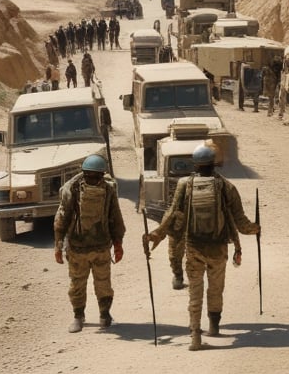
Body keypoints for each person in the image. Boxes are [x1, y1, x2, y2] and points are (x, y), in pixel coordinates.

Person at [145, 143, 260, 351]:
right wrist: (255, 229)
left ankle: (195, 337)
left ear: (195, 164)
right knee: (215, 289)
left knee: (195, 292)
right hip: (218, 248)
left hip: (193, 247)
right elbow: (241, 223)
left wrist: (157, 233)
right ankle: (214, 327)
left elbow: (172, 212)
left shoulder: (184, 184)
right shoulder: (226, 186)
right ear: (214, 163)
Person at [54, 154, 125, 333]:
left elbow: (115, 216)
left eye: (96, 176)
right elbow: (62, 217)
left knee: (103, 284)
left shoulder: (109, 190)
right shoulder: (72, 189)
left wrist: (118, 244)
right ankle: (78, 316)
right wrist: (58, 245)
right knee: (77, 284)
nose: (92, 179)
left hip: (101, 247)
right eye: (89, 175)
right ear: (84, 173)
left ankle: (104, 315)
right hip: (77, 248)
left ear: (102, 175)